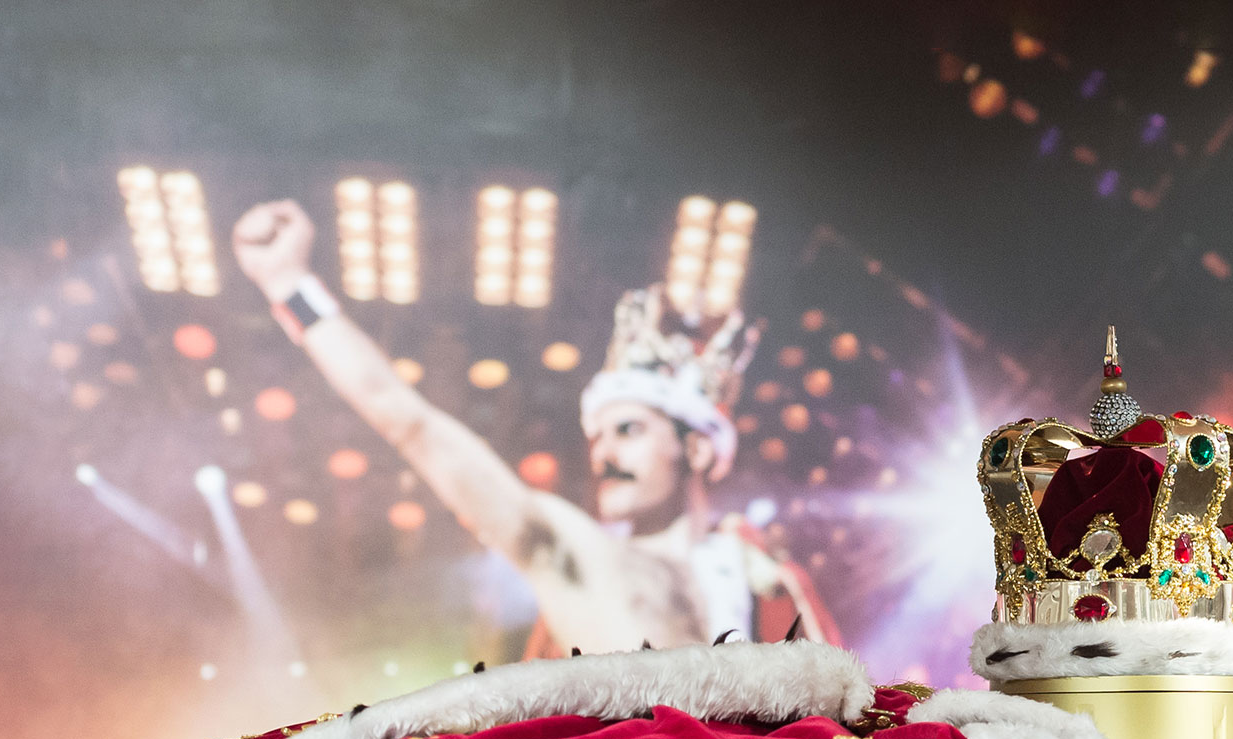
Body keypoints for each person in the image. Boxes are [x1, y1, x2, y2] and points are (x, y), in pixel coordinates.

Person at [230, 199, 836, 656]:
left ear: (698, 448)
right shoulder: (573, 549)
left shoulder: (767, 579)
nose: (601, 455)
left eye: (627, 430)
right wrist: (289, 286)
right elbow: (409, 421)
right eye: (595, 437)